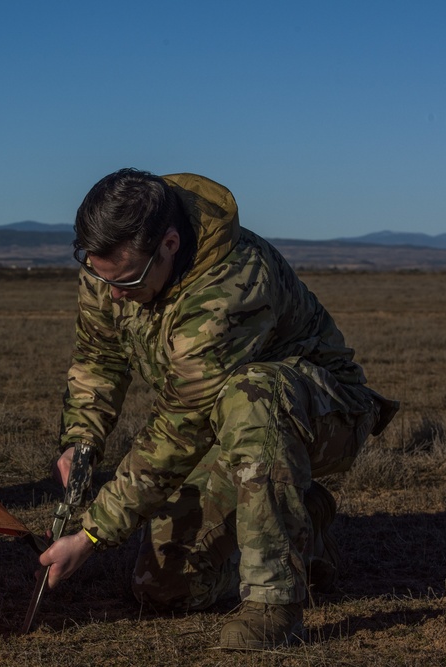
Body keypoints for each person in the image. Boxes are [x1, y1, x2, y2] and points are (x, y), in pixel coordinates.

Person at [40, 168, 398, 651]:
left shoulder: (233, 285)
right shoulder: (111, 272)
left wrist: (92, 535)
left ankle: (275, 604)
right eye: (99, 277)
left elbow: (180, 428)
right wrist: (81, 443)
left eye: (128, 280)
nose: (115, 294)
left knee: (254, 392)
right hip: (224, 427)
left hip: (321, 416)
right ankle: (307, 525)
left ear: (169, 244)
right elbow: (100, 357)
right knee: (163, 588)